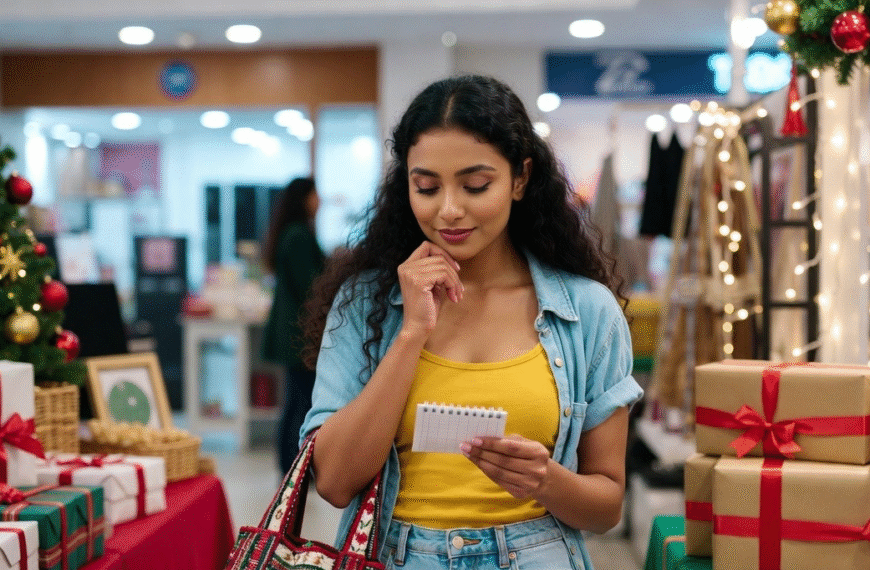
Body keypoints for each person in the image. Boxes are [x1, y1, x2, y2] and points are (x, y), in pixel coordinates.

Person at [299, 75, 643, 570]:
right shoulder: (365, 304)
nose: (449, 210)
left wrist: (546, 480)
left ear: (520, 178)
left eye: (476, 185)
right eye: (426, 187)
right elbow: (333, 482)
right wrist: (411, 333)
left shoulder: (587, 311)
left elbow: (606, 507)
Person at [261, 176, 324, 473]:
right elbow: (311, 286)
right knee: (299, 404)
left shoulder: (291, 232)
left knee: (294, 402)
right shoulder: (298, 236)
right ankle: (292, 468)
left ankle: (289, 467)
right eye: (315, 194)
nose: (319, 200)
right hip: (299, 334)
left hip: (293, 333)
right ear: (304, 199)